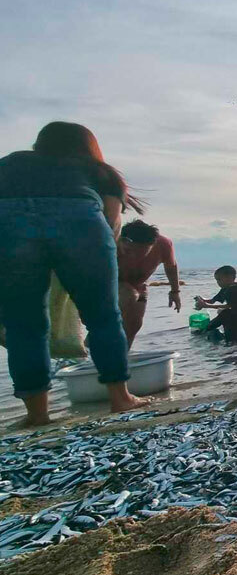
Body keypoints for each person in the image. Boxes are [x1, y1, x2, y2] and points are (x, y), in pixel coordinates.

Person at [0, 121, 148, 423]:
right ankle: (120, 399)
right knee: (103, 317)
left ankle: (37, 414)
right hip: (80, 224)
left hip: (9, 225)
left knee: (24, 324)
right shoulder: (99, 172)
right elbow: (112, 224)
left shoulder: (9, 163)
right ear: (88, 146)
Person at [117, 220, 180, 346]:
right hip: (112, 283)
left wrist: (175, 291)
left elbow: (171, 267)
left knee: (134, 324)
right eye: (130, 251)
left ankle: (122, 358)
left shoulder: (164, 244)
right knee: (129, 295)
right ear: (123, 241)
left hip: (139, 284)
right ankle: (92, 347)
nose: (135, 257)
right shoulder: (111, 242)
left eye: (142, 253)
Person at [195, 266, 237, 342]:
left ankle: (206, 330)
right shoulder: (225, 289)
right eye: (216, 280)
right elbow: (213, 300)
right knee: (225, 316)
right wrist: (202, 300)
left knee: (225, 314)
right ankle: (207, 330)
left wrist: (206, 306)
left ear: (230, 278)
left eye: (219, 280)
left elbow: (230, 306)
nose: (218, 283)